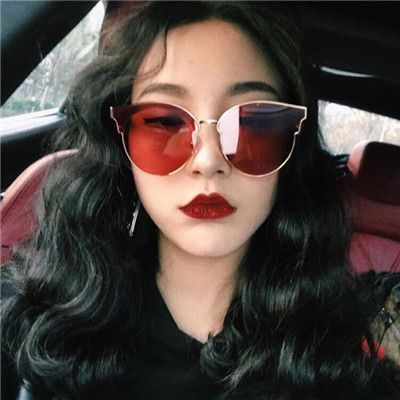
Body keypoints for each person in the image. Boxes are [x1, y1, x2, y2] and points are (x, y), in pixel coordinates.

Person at [1, 2, 398, 399]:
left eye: (253, 123)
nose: (209, 160)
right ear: (122, 145)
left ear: (290, 150)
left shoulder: (340, 372)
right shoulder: (29, 326)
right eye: (164, 121)